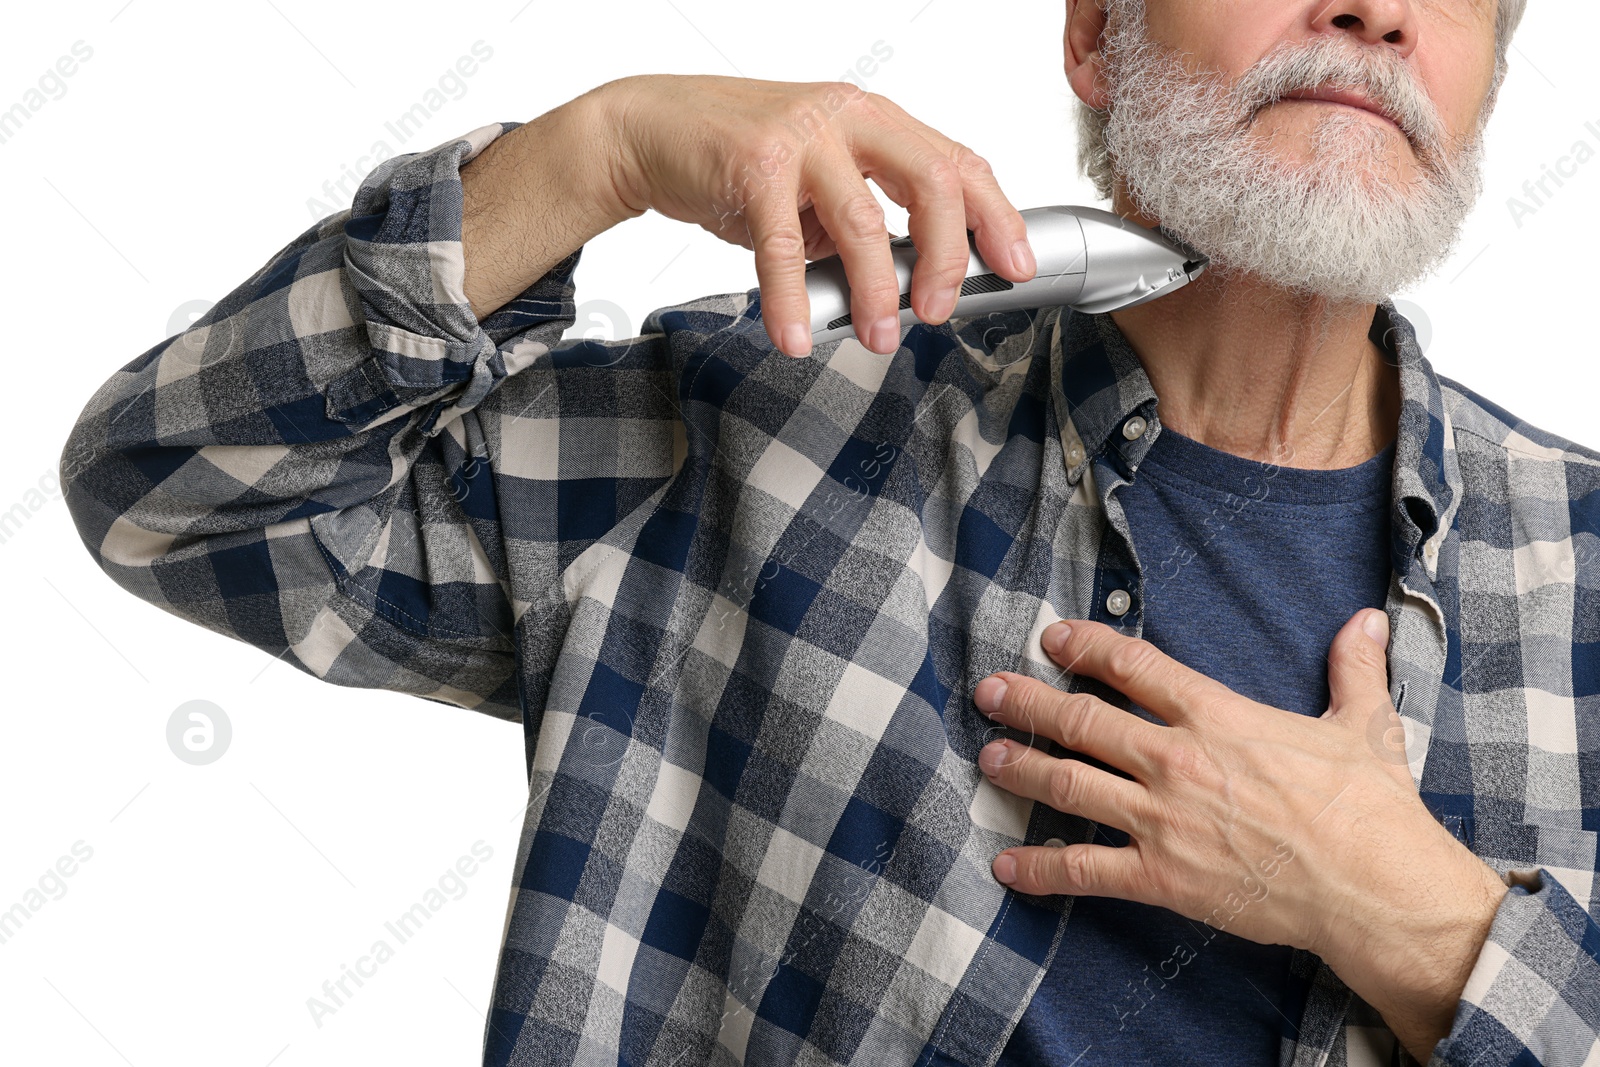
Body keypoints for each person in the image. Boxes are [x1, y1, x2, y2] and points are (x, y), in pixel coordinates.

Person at [58, 0, 1598, 1064]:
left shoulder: (1582, 571)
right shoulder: (760, 420)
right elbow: (176, 487)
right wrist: (595, 151)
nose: (1379, 7)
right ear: (1095, 34)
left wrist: (1427, 924)